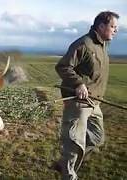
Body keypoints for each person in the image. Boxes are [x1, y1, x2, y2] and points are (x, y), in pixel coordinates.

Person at [54, 11, 119, 180]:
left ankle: (64, 164)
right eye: (113, 26)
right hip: (79, 103)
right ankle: (68, 174)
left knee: (97, 138)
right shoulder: (84, 44)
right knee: (74, 143)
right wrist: (78, 84)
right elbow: (62, 67)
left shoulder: (103, 45)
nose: (115, 30)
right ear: (101, 26)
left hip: (94, 102)